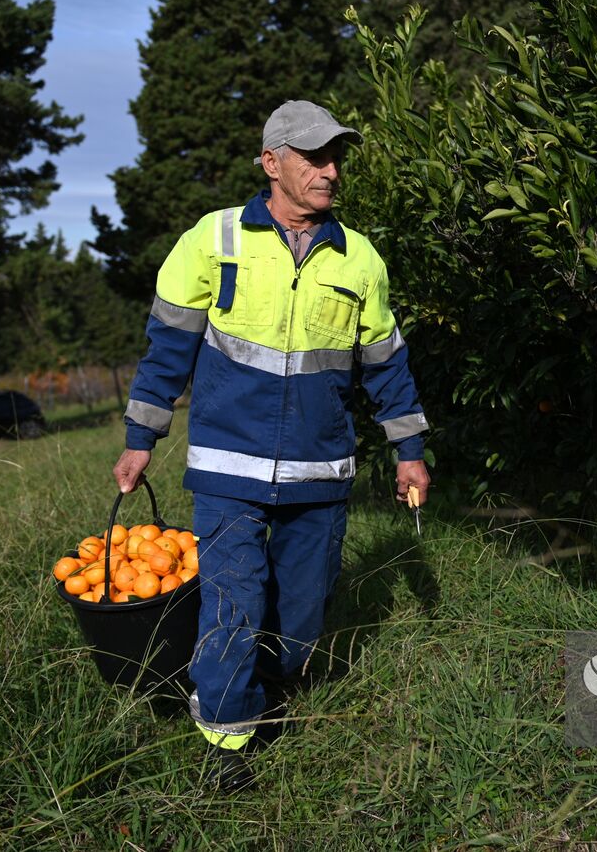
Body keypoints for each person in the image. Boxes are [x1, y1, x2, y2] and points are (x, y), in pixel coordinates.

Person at [112, 100, 431, 789]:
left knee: (299, 619)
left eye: (335, 157)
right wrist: (142, 438)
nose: (331, 171)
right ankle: (226, 747)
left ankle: (260, 690)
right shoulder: (214, 239)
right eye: (314, 157)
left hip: (321, 472)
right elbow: (168, 348)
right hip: (227, 469)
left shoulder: (360, 257)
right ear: (271, 162)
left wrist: (409, 450)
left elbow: (386, 364)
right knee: (233, 605)